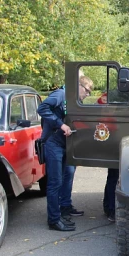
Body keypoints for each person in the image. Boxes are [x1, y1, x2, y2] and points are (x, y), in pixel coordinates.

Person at [38, 76, 93, 231]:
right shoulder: (60, 94)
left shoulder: (72, 99)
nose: (87, 94)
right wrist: (60, 125)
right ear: (79, 86)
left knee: (63, 178)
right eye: (87, 91)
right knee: (54, 183)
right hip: (53, 143)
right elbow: (42, 108)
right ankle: (54, 220)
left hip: (63, 144)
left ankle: (62, 212)